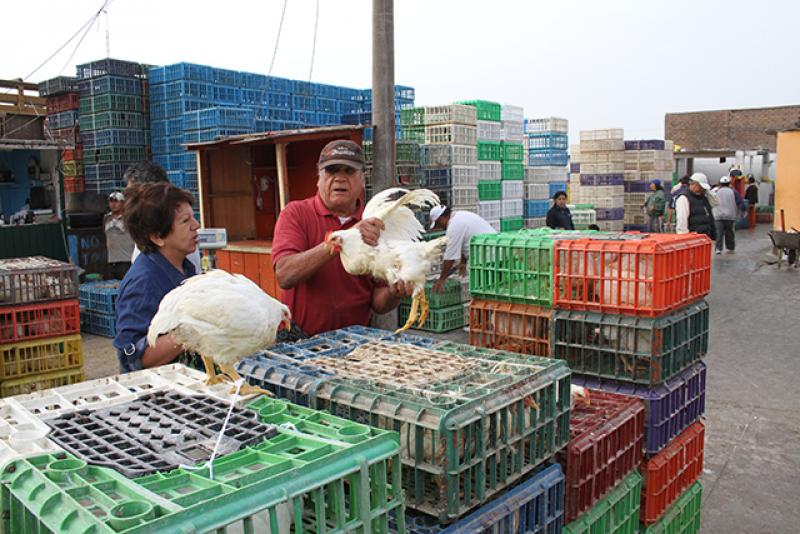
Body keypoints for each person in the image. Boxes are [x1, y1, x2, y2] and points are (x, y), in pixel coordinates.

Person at [271, 139, 412, 336]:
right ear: (318, 179)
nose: (339, 178)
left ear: (363, 179)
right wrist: (345, 238)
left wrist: (394, 292)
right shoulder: (296, 214)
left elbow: (378, 302)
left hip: (355, 342)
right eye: (331, 171)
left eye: (349, 171)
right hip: (301, 339)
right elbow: (285, 275)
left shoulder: (376, 225)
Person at [113, 182, 200, 372]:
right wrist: (190, 330)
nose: (196, 226)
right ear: (157, 237)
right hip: (158, 393)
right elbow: (132, 356)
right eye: (186, 221)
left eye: (193, 218)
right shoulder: (144, 282)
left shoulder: (185, 267)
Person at [125, 161, 202, 274]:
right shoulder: (144, 279)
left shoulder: (184, 249)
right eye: (186, 220)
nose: (196, 225)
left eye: (133, 194)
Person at [429, 205, 496, 293]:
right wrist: (463, 262)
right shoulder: (461, 215)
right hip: (497, 252)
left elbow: (450, 258)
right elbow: (466, 240)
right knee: (494, 289)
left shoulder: (453, 226)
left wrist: (441, 279)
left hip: (486, 259)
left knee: (484, 291)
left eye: (438, 223)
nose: (440, 227)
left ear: (442, 218)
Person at [675, 172, 719, 240]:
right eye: (701, 186)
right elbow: (682, 220)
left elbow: (716, 202)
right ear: (693, 184)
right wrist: (684, 238)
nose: (702, 189)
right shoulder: (684, 198)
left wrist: (708, 191)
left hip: (704, 236)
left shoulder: (703, 197)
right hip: (693, 238)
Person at [104, 191, 134, 279]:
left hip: (126, 260)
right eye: (111, 201)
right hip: (111, 260)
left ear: (122, 203)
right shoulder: (106, 218)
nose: (113, 204)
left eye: (116, 201)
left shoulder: (128, 218)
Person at [712, 176, 744, 254]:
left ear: (720, 183)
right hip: (730, 215)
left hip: (718, 215)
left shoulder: (716, 191)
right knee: (730, 232)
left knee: (719, 233)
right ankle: (730, 247)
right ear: (728, 183)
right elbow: (740, 202)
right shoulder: (733, 191)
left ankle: (718, 249)